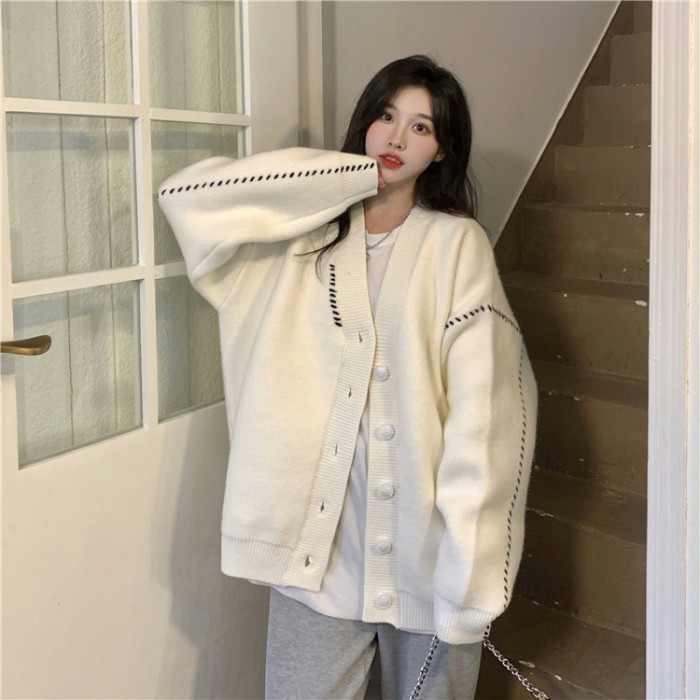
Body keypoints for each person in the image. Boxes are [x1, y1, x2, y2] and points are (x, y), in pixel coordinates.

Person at [157, 55, 537, 700]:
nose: (397, 138)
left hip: (427, 560)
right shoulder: (292, 243)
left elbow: (487, 415)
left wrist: (471, 577)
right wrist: (354, 176)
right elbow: (187, 200)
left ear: (443, 150)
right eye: (386, 117)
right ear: (365, 121)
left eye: (421, 128)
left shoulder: (456, 246)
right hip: (316, 562)